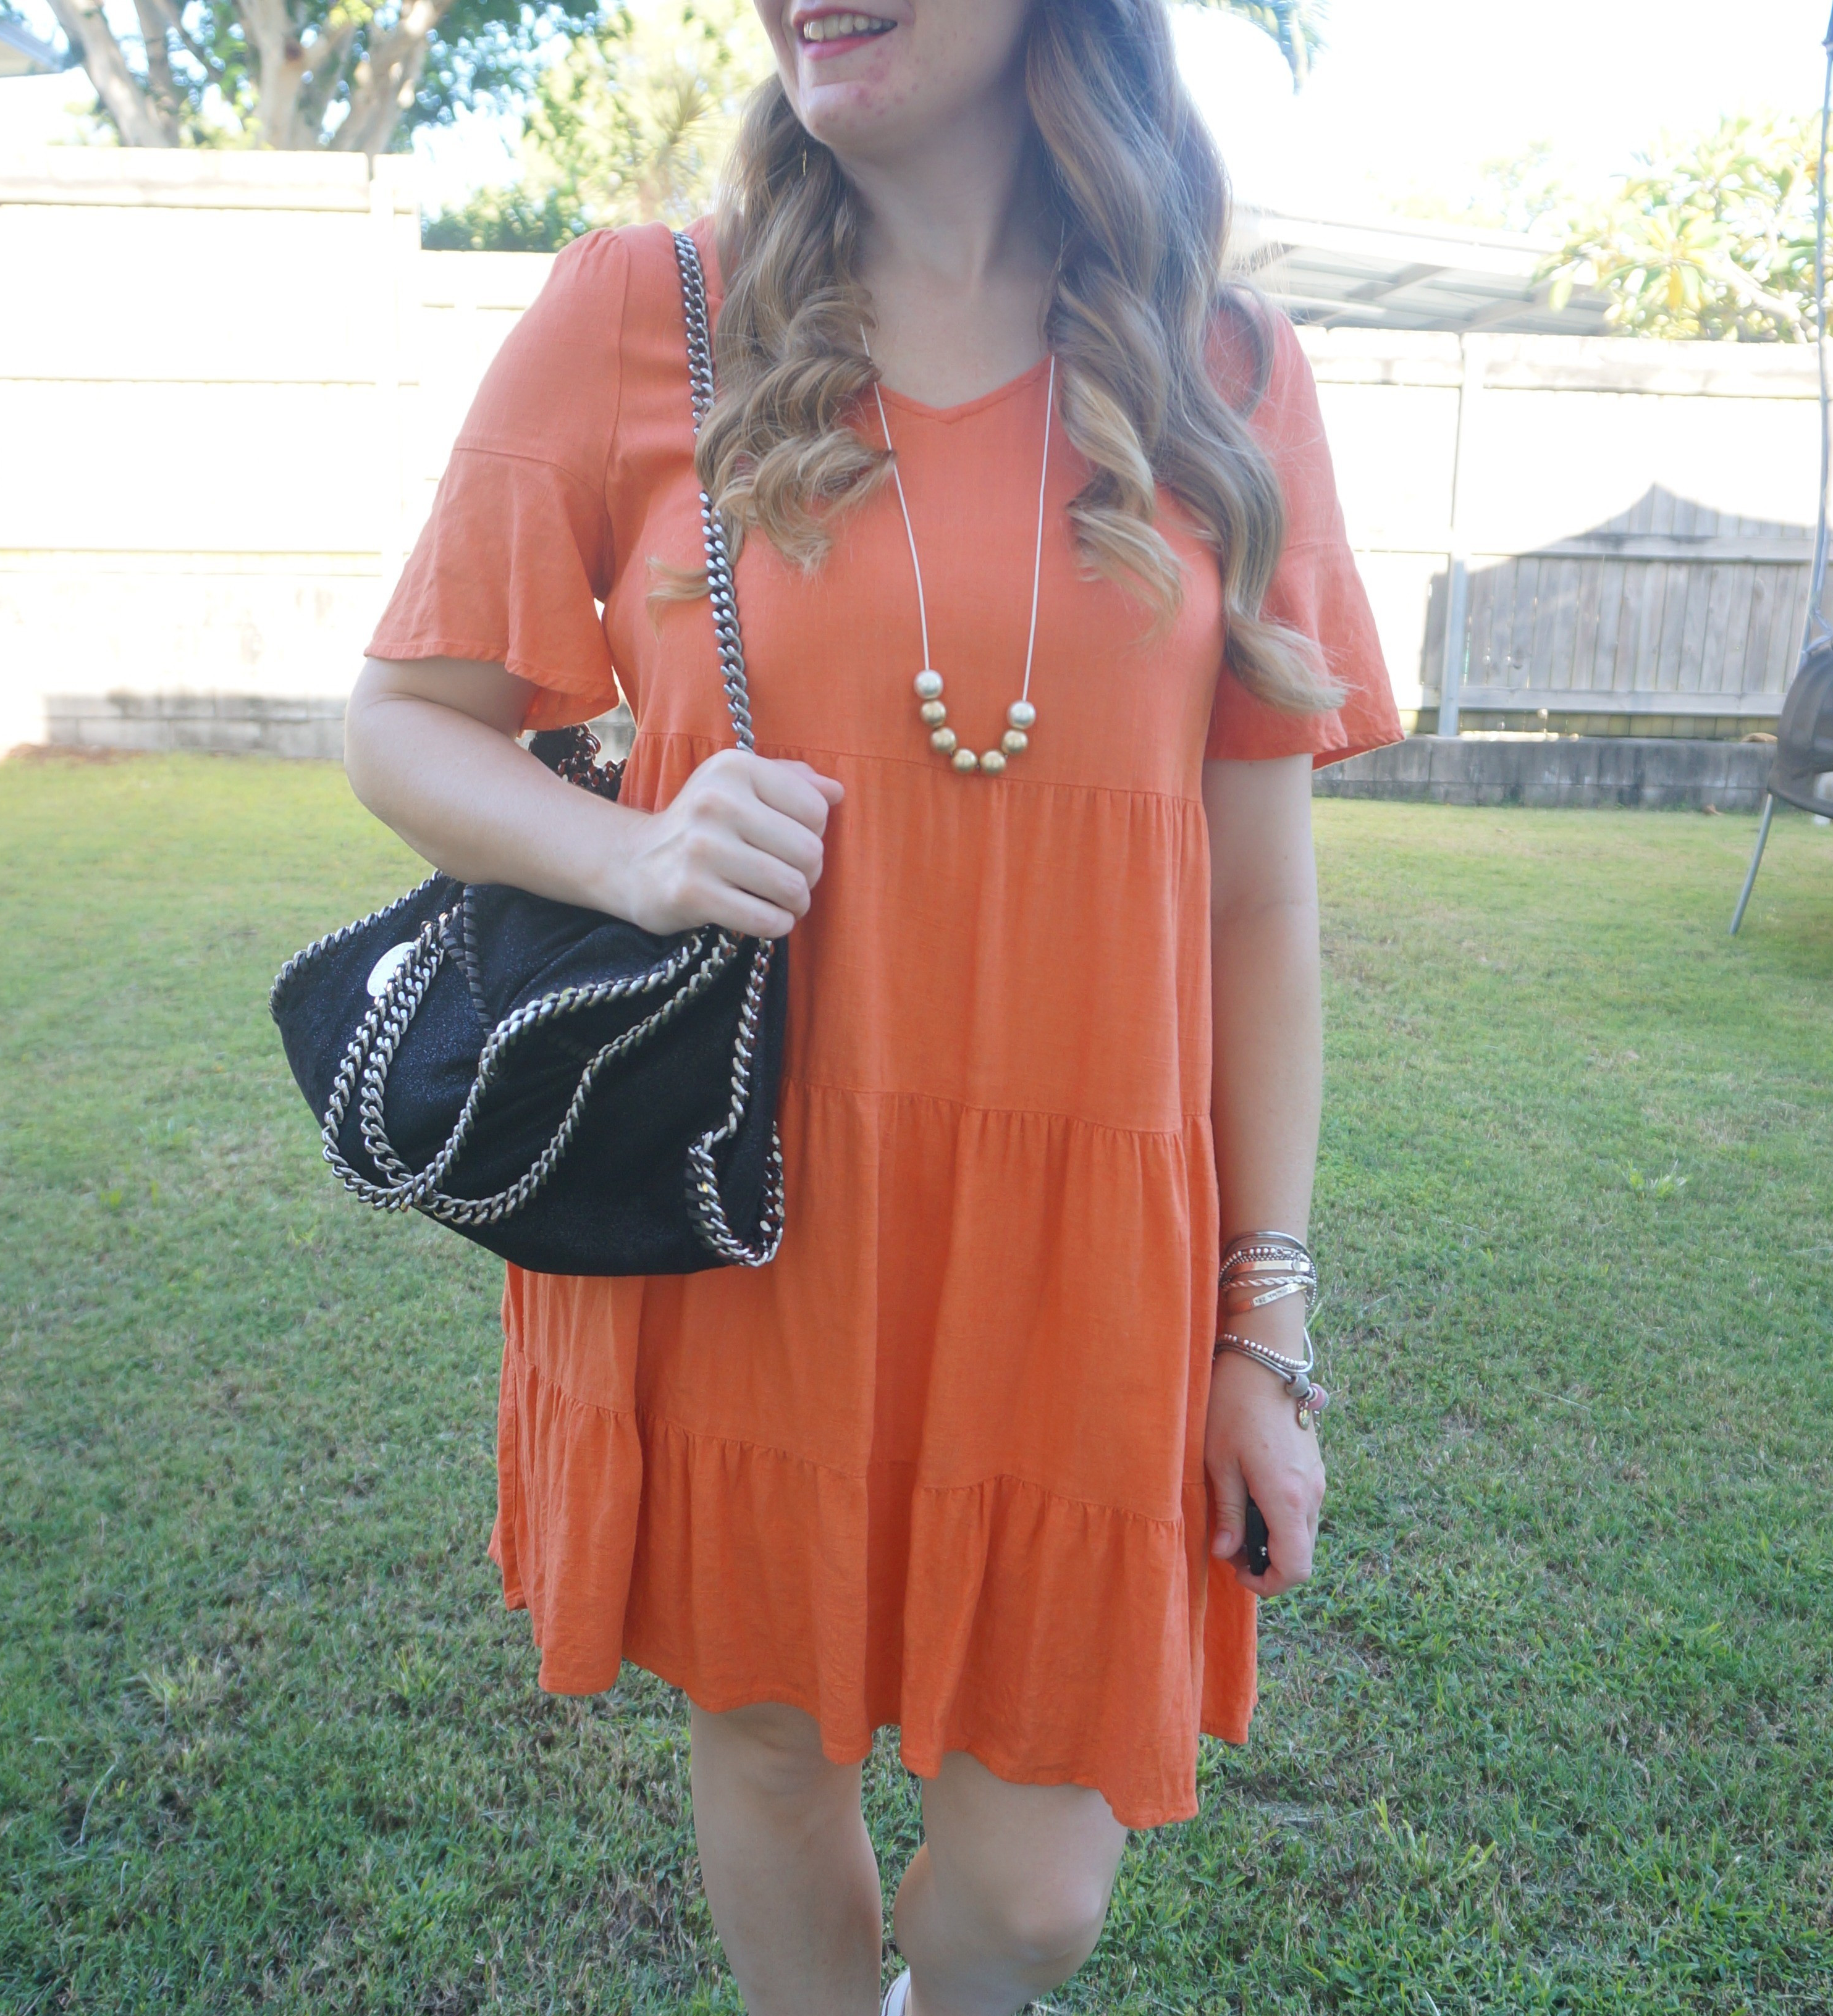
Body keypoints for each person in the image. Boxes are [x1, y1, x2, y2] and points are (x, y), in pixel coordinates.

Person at [342, 0, 1400, 2006]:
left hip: (1086, 1252)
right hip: (749, 1208)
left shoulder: (1231, 377)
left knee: (1029, 1892)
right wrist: (632, 856)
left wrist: (1265, 1321)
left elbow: (1261, 901)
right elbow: (402, 726)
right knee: (765, 1745)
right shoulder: (641, 313)